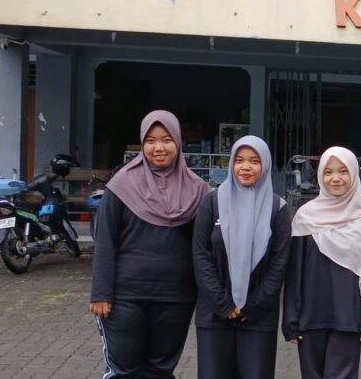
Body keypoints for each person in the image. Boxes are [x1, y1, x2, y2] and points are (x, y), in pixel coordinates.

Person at [89, 110, 212, 378]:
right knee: (124, 370)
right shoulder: (121, 185)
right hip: (125, 297)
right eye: (151, 141)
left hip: (176, 297)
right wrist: (100, 292)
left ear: (178, 142)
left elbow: (204, 247)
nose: (159, 148)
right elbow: (106, 241)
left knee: (160, 370)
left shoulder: (198, 190)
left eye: (167, 140)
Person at [192, 135, 291, 379]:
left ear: (265, 165)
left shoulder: (277, 209)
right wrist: (223, 303)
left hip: (258, 317)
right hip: (214, 314)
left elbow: (279, 265)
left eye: (254, 161)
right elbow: (200, 256)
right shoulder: (211, 202)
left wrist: (251, 306)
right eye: (239, 160)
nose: (245, 167)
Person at [282, 146, 361, 379]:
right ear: (320, 176)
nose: (335, 178)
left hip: (349, 317)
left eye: (343, 171)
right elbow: (294, 274)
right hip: (310, 318)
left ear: (354, 174)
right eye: (328, 172)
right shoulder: (305, 217)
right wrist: (291, 320)